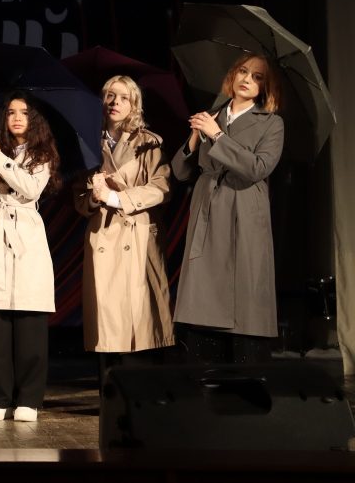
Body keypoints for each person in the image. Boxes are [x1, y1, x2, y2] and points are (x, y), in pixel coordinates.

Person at [171, 53, 285, 363]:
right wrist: (194, 140)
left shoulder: (271, 123)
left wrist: (217, 135)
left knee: (243, 291)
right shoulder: (212, 115)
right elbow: (180, 172)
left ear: (265, 87)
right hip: (209, 205)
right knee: (204, 290)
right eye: (243, 71)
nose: (247, 79)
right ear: (233, 75)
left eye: (257, 77)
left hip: (243, 206)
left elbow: (258, 168)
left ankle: (245, 365)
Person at [0, 91, 60, 422]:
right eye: (10, 113)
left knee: (29, 322)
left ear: (34, 120)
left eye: (24, 113)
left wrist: (0, 161)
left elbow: (30, 189)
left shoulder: (41, 154)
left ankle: (29, 399)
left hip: (26, 238)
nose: (17, 118)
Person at [73, 76, 175, 373]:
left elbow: (161, 188)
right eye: (109, 96)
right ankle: (110, 391)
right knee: (108, 327)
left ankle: (141, 392)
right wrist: (94, 197)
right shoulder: (87, 144)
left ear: (134, 104)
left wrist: (116, 197)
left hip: (137, 235)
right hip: (104, 235)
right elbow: (79, 200)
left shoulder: (149, 143)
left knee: (139, 324)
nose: (115, 102)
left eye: (123, 97)